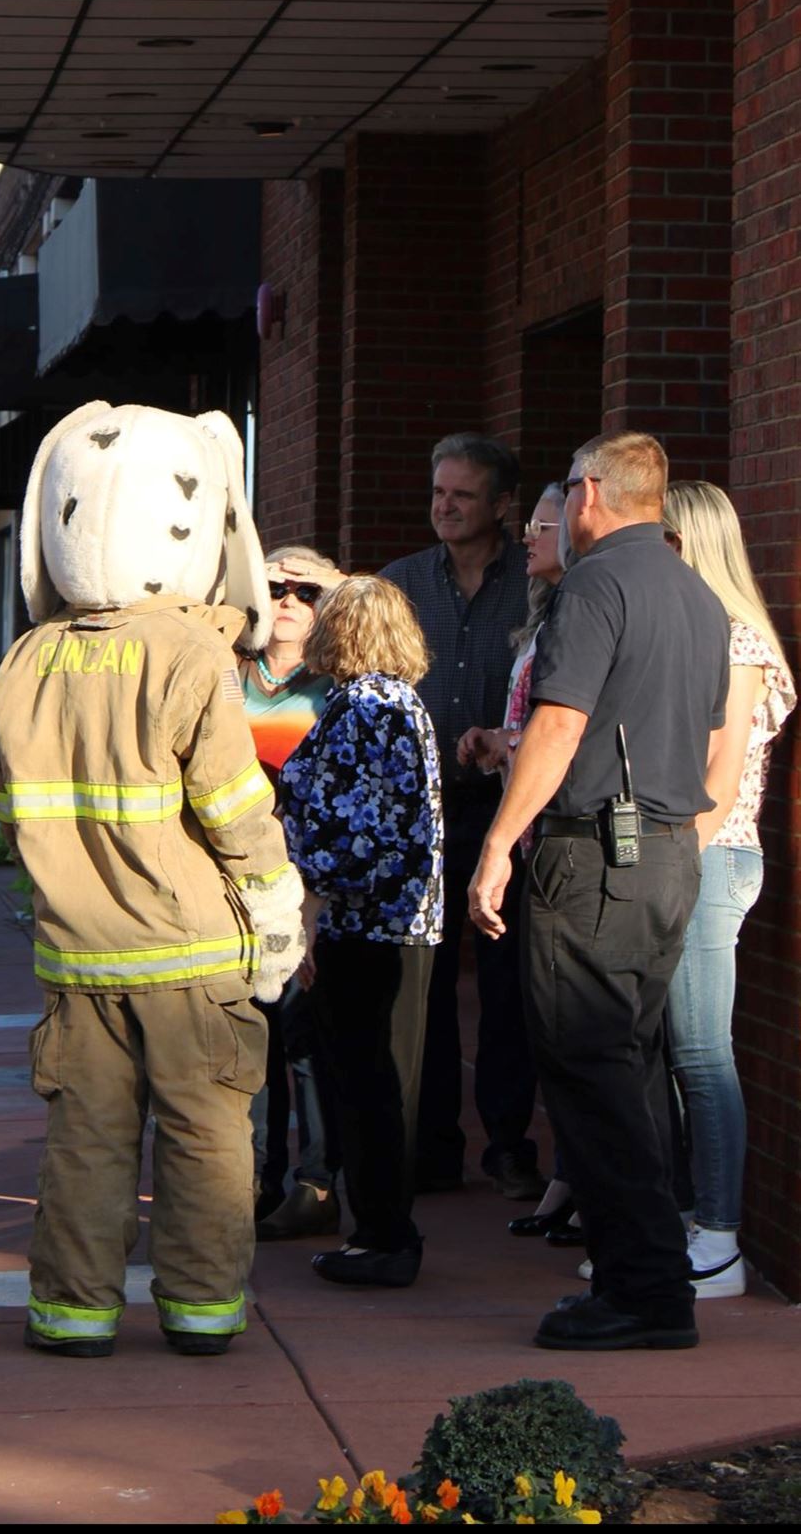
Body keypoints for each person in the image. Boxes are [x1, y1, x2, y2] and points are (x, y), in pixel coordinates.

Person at [0, 400, 304, 1360]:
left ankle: (74, 1313)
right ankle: (202, 1310)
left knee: (87, 1141)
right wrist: (277, 902)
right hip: (190, 950)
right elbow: (234, 807)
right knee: (206, 1137)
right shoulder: (190, 652)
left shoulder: (24, 662)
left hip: (77, 954)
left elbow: (19, 811)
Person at [468, 432, 731, 1352]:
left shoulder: (595, 584)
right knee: (626, 1066)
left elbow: (561, 719)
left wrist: (500, 843)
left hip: (597, 856)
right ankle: (649, 1279)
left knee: (591, 1070)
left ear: (587, 494)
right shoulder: (698, 596)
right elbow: (697, 738)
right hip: (664, 855)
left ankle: (644, 1291)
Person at [382, 433, 540, 1199]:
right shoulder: (403, 584)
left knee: (510, 980)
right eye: (438, 492)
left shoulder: (538, 588)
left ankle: (508, 1143)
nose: (445, 506)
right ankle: (431, 1142)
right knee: (425, 980)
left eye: (463, 495)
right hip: (423, 810)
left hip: (510, 808)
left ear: (503, 505)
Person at [276, 576, 444, 1290]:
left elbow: (360, 830)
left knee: (368, 1084)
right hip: (395, 922)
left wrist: (299, 881)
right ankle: (378, 1228)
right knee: (374, 1079)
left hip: (368, 924)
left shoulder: (364, 708)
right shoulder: (394, 702)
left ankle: (383, 1235)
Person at [662, 480, 795, 1302]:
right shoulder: (691, 630)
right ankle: (689, 1222)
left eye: (665, 543)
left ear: (696, 545)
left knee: (704, 1053)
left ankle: (719, 1236)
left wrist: (677, 865)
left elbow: (717, 775)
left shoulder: (738, 639)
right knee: (676, 1055)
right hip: (686, 859)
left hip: (712, 860)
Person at [458, 484, 580, 1247]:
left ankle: (591, 1193)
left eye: (545, 522)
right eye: (532, 521)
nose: (533, 535)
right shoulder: (548, 611)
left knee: (578, 1031)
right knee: (549, 1026)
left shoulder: (589, 613)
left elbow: (564, 729)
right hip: (531, 837)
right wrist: (498, 742)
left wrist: (499, 840)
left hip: (557, 846)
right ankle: (568, 1184)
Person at [239, 545, 343, 1244]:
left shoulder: (336, 685)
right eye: (274, 586)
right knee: (246, 1039)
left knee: (306, 1038)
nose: (287, 600)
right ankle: (247, 1178)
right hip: (234, 881)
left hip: (306, 885)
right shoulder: (226, 676)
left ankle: (316, 1182)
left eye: (305, 592)